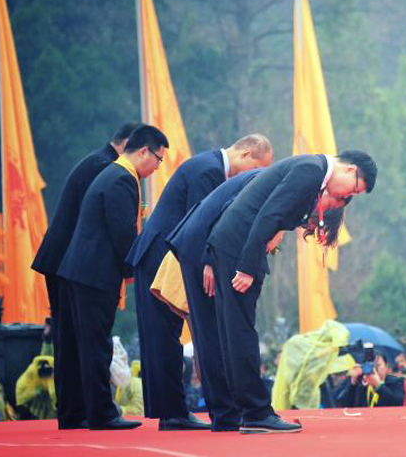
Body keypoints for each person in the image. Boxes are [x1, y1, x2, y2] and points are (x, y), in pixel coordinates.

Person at [207, 150, 376, 433]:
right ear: (350, 170)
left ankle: (238, 412)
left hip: (232, 243)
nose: (349, 197)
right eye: (354, 191)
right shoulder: (312, 169)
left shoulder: (311, 169)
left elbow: (276, 214)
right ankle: (256, 413)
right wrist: (247, 266)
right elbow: (269, 213)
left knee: (232, 330)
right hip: (239, 248)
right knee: (240, 331)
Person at [166, 166, 344, 430]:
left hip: (213, 246)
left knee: (221, 331)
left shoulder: (287, 191)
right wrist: (209, 259)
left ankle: (228, 414)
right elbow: (227, 209)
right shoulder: (283, 182)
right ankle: (235, 412)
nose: (309, 226)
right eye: (314, 222)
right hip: (202, 244)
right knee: (217, 332)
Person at [127, 134, 272, 431]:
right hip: (161, 254)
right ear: (245, 154)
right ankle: (173, 413)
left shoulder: (208, 166)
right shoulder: (207, 170)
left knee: (169, 339)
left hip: (171, 252)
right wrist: (209, 261)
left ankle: (174, 411)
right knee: (164, 340)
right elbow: (202, 221)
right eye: (255, 170)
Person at [56, 124, 168, 430]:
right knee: (96, 345)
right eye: (158, 159)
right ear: (144, 151)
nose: (157, 168)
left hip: (84, 271)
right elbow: (123, 235)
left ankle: (80, 413)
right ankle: (102, 414)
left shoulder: (116, 173)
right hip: (93, 274)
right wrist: (139, 270)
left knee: (88, 344)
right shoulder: (121, 179)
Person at [31, 122, 138, 429]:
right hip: (71, 263)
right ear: (128, 144)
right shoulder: (107, 168)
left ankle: (74, 411)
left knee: (73, 338)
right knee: (76, 338)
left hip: (68, 261)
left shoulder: (99, 162)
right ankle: (82, 410)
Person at [336, 351, 405, 408]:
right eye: (371, 366)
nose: (374, 369)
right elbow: (344, 405)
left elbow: (397, 404)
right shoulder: (360, 382)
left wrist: (379, 385)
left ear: (386, 367)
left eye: (378, 365)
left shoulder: (396, 382)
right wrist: (353, 382)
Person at [14, 355, 56, 420]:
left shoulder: (54, 374)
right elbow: (21, 399)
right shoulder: (29, 375)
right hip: (28, 407)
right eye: (42, 370)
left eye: (48, 369)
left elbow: (53, 395)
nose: (45, 372)